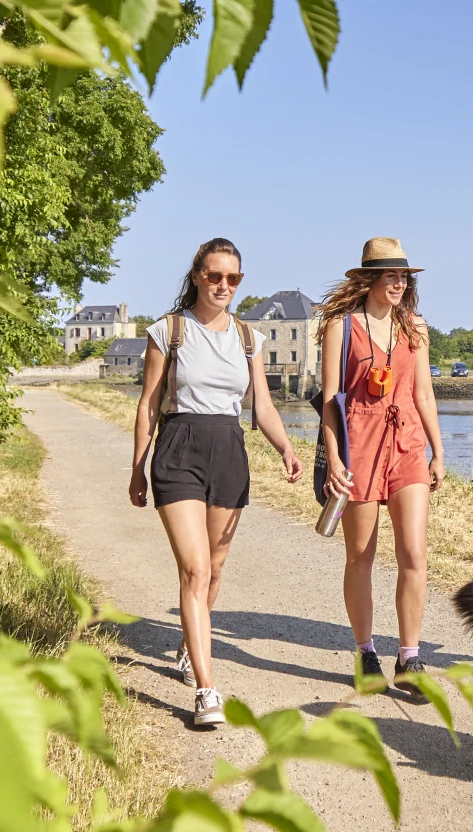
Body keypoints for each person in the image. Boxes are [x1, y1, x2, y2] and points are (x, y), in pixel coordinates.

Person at [129, 238, 304, 727]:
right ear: (196, 277)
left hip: (228, 451)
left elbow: (262, 406)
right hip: (179, 447)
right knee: (195, 569)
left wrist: (286, 448)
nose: (223, 285)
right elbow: (148, 403)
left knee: (216, 570)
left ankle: (191, 645)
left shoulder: (248, 338)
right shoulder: (169, 330)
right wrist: (137, 466)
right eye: (214, 276)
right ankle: (207, 690)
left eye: (233, 278)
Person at [316, 238, 447, 691]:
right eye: (390, 275)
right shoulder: (341, 326)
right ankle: (365, 651)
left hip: (407, 442)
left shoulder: (415, 327)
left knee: (414, 553)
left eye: (403, 276)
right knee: (360, 556)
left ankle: (409, 657)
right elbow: (330, 400)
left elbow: (423, 393)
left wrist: (437, 450)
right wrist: (335, 458)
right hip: (360, 444)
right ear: (369, 278)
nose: (399, 283)